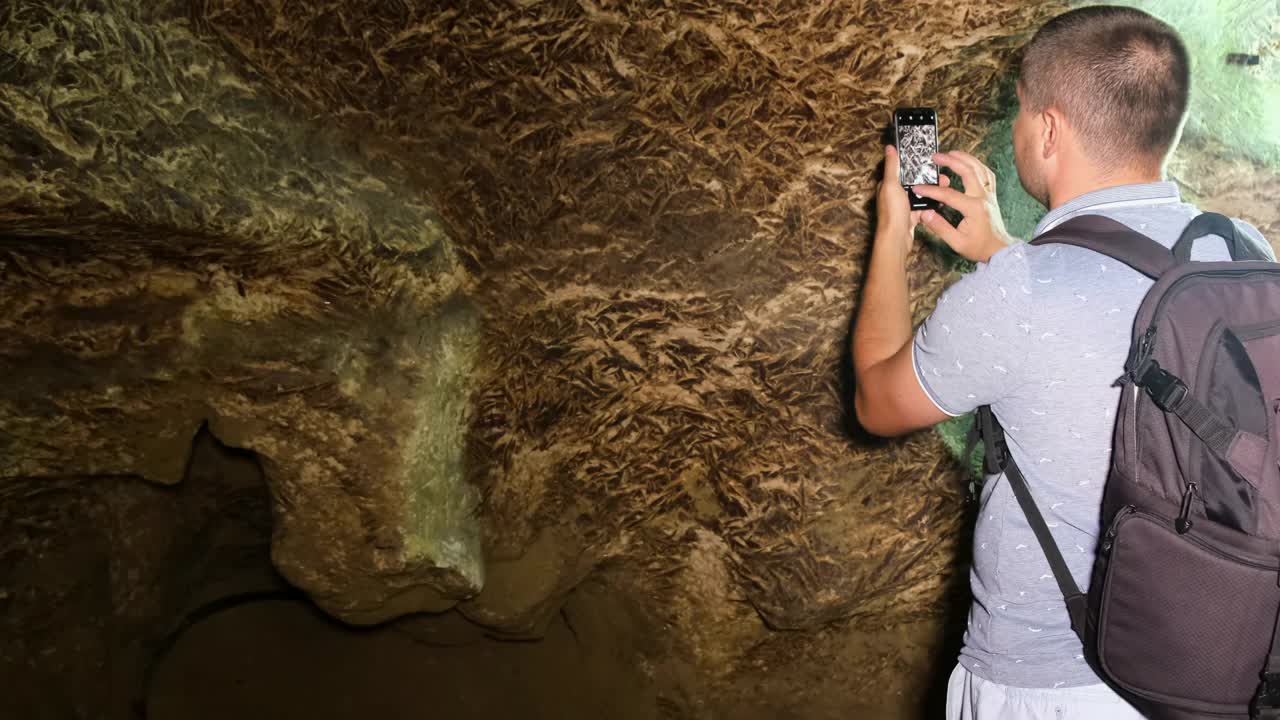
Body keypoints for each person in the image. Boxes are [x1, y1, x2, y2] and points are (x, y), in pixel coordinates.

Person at [852, 6, 1275, 719]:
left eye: (1020, 113)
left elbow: (877, 399)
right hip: (1212, 667)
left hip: (1049, 683)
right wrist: (1004, 250)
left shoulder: (1017, 294)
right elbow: (1115, 313)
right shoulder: (1239, 247)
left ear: (1047, 129)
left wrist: (892, 231)